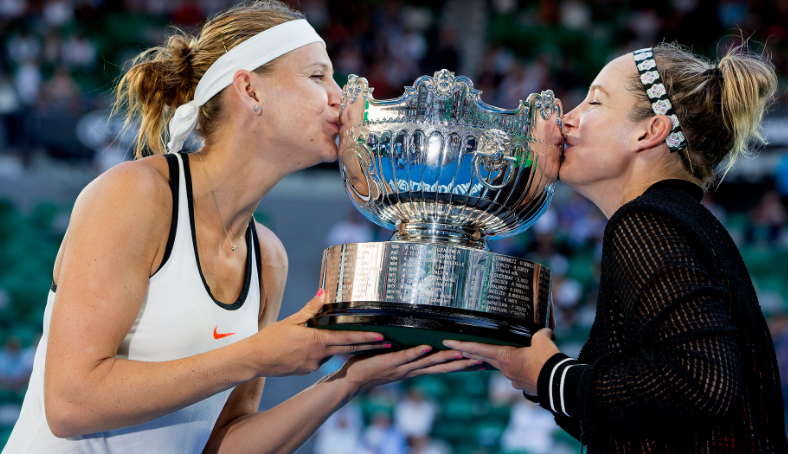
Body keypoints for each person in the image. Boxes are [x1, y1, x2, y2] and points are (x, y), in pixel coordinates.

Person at [3, 2, 476, 453]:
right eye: (318, 76)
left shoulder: (268, 257)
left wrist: (348, 380)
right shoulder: (136, 194)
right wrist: (256, 354)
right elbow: (70, 403)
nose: (340, 96)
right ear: (249, 90)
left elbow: (222, 444)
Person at [445, 42, 788, 453]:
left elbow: (703, 382)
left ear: (650, 131)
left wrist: (552, 376)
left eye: (595, 101)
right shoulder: (682, 221)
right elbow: (644, 424)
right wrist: (541, 378)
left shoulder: (646, 221)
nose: (567, 119)